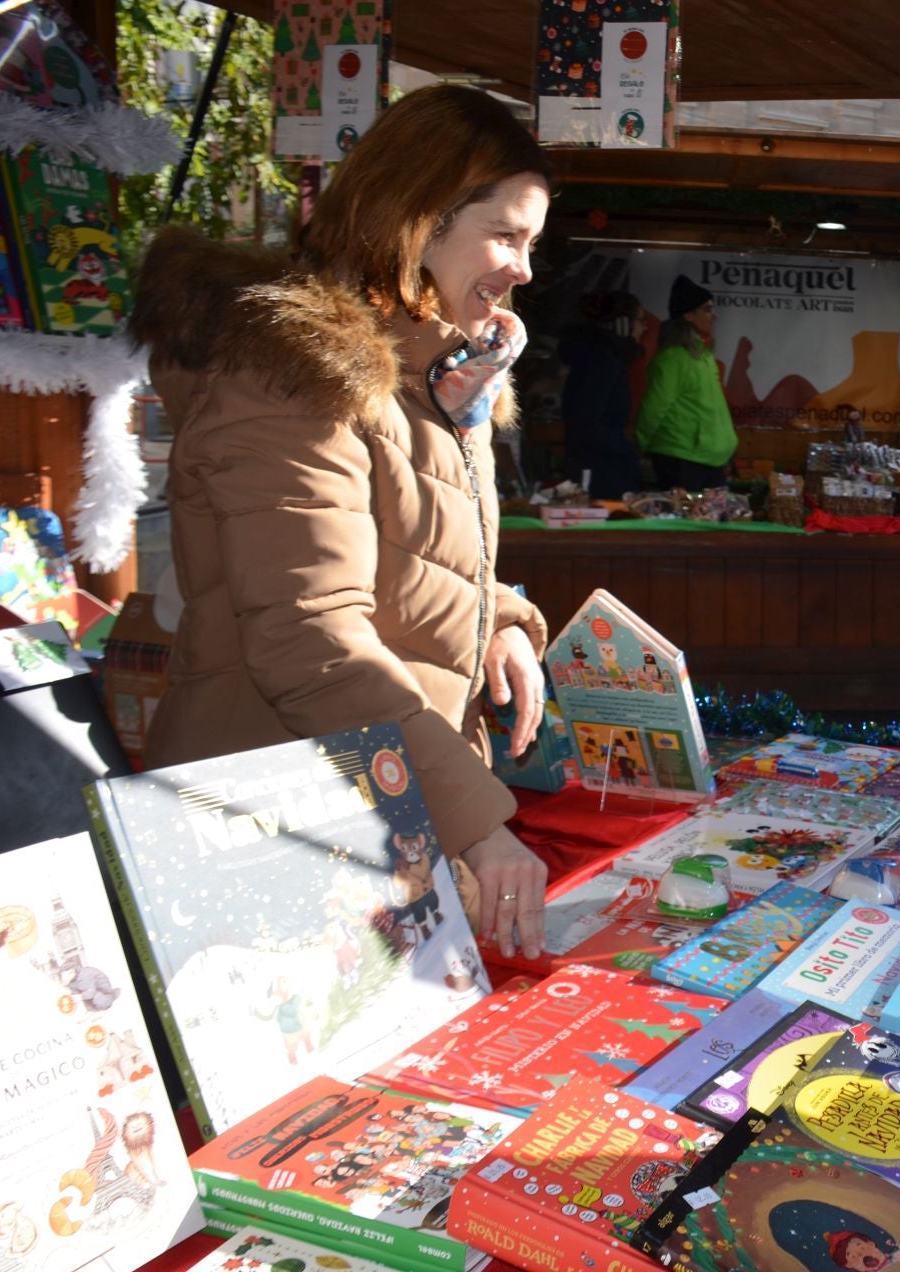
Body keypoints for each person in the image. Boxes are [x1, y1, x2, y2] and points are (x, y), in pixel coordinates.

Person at [129, 85, 555, 958]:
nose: (523, 269)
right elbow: (310, 637)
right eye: (506, 236)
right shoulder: (293, 375)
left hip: (375, 819)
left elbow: (411, 558)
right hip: (270, 839)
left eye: (532, 243)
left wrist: (498, 623)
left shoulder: (438, 375)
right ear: (418, 220)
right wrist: (475, 822)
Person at [637, 275, 737, 491]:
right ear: (689, 315)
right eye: (707, 309)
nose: (714, 316)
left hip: (709, 457)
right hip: (682, 457)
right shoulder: (672, 358)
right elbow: (653, 409)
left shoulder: (703, 356)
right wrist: (640, 444)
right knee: (682, 513)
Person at [559, 290, 645, 499]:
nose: (644, 328)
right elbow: (586, 423)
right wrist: (626, 450)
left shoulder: (600, 360)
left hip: (603, 467)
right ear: (623, 324)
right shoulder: (601, 363)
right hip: (602, 474)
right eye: (640, 321)